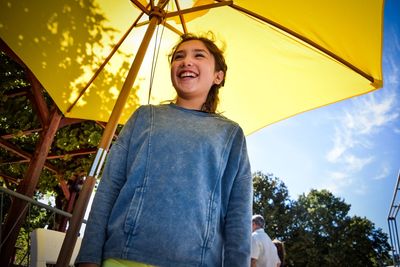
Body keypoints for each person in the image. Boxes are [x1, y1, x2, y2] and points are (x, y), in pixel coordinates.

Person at [75, 32, 253, 267]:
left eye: (199, 55)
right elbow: (109, 187)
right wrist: (88, 256)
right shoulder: (143, 116)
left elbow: (238, 214)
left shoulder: (230, 134)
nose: (186, 61)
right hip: (123, 257)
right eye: (178, 56)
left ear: (218, 76)